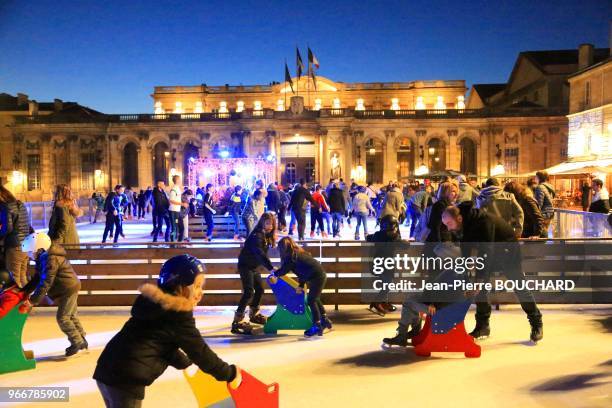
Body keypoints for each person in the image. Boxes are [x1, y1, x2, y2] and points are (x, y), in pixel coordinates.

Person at [94, 255, 240, 407]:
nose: (201, 292)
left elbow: (160, 342)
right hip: (126, 380)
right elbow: (199, 351)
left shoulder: (156, 305)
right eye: (196, 286)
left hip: (108, 369)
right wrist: (228, 373)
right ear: (180, 286)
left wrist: (184, 362)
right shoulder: (177, 313)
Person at [442, 203, 543, 342]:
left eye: (448, 223)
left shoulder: (483, 221)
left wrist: (478, 280)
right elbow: (466, 249)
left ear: (459, 218)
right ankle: (483, 325)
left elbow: (486, 251)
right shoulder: (464, 224)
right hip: (490, 253)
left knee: (519, 287)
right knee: (480, 288)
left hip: (507, 251)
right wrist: (465, 273)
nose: (448, 228)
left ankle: (536, 322)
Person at [26, 232, 89, 356]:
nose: (29, 255)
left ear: (39, 248)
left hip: (68, 288)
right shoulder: (44, 257)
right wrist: (24, 290)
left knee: (63, 317)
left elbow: (46, 281)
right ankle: (81, 339)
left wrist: (33, 300)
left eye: (30, 251)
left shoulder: (49, 258)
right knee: (70, 315)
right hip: (69, 286)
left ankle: (77, 341)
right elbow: (38, 277)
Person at [270, 237, 332, 337]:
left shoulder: (291, 257)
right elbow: (302, 272)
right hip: (319, 275)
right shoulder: (298, 253)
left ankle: (317, 326)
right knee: (315, 299)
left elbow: (284, 270)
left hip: (317, 277)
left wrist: (274, 274)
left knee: (311, 300)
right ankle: (324, 320)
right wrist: (301, 285)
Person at [232, 213, 277, 334]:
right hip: (246, 266)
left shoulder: (266, 236)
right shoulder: (257, 235)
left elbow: (263, 254)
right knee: (248, 291)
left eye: (272, 224)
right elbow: (260, 253)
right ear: (262, 222)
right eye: (267, 223)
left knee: (260, 289)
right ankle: (237, 321)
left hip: (254, 267)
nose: (270, 226)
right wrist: (270, 268)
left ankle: (254, 314)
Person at [366, 214, 403, 316]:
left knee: (386, 283)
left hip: (376, 265)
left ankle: (382, 302)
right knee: (387, 284)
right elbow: (405, 245)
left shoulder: (377, 235)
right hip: (385, 266)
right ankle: (377, 302)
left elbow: (369, 237)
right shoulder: (394, 237)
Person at [0, 183, 34, 288]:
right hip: (25, 246)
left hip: (15, 246)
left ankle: (17, 304)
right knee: (22, 277)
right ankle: (26, 304)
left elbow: (8, 228)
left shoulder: (6, 207)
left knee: (14, 279)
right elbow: (27, 225)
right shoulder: (20, 204)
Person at [534, 171, 555, 238]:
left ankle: (543, 247)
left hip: (544, 214)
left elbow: (538, 203)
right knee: (544, 232)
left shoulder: (540, 187)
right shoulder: (549, 187)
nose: (535, 178)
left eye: (536, 177)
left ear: (540, 178)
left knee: (541, 234)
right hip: (549, 213)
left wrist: (536, 214)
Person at [168, 175, 183, 242]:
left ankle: (176, 241)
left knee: (176, 226)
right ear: (176, 180)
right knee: (174, 227)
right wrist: (182, 204)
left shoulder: (178, 188)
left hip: (177, 211)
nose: (180, 180)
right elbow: (171, 200)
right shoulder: (174, 189)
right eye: (179, 179)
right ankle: (172, 242)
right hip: (173, 211)